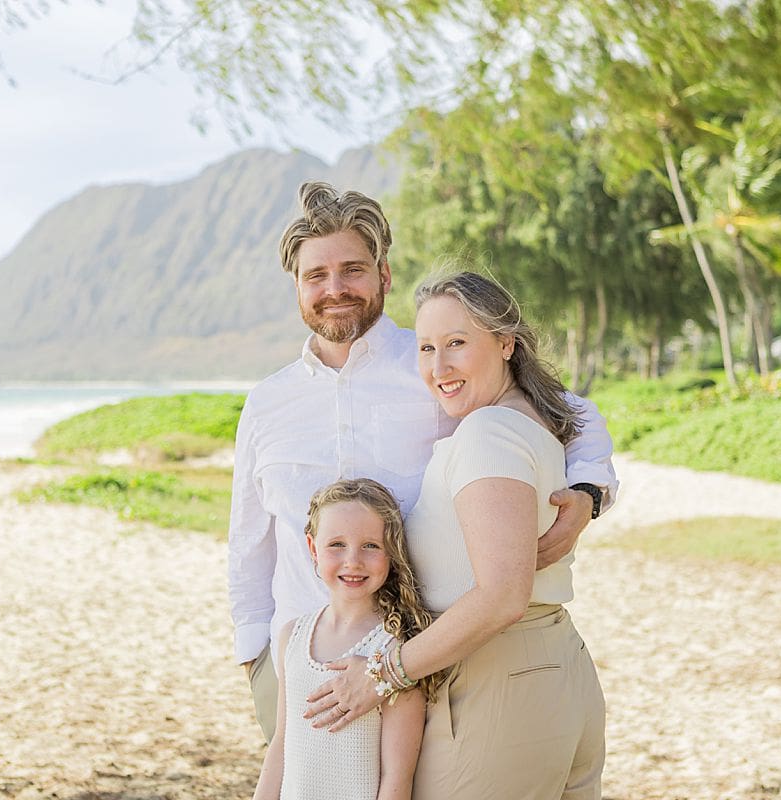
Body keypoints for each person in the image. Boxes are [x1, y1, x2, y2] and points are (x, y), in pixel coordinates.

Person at [229, 181, 618, 741]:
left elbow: (572, 414)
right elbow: (249, 540)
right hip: (298, 665)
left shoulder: (433, 365)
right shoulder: (267, 402)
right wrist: (254, 657)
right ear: (296, 286)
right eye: (316, 275)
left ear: (384, 274)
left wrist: (588, 493)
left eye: (353, 269)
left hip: (418, 663)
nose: (334, 288)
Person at [303, 272, 606, 799]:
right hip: (548, 671)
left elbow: (502, 595)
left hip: (497, 682)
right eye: (426, 348)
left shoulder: (487, 434)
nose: (438, 368)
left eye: (457, 344)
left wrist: (382, 673)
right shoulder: (530, 423)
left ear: (506, 343)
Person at [251, 478, 435, 800]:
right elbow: (281, 745)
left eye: (371, 546)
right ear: (313, 548)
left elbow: (397, 775)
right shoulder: (291, 636)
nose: (353, 560)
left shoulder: (397, 648)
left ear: (391, 552)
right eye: (337, 544)